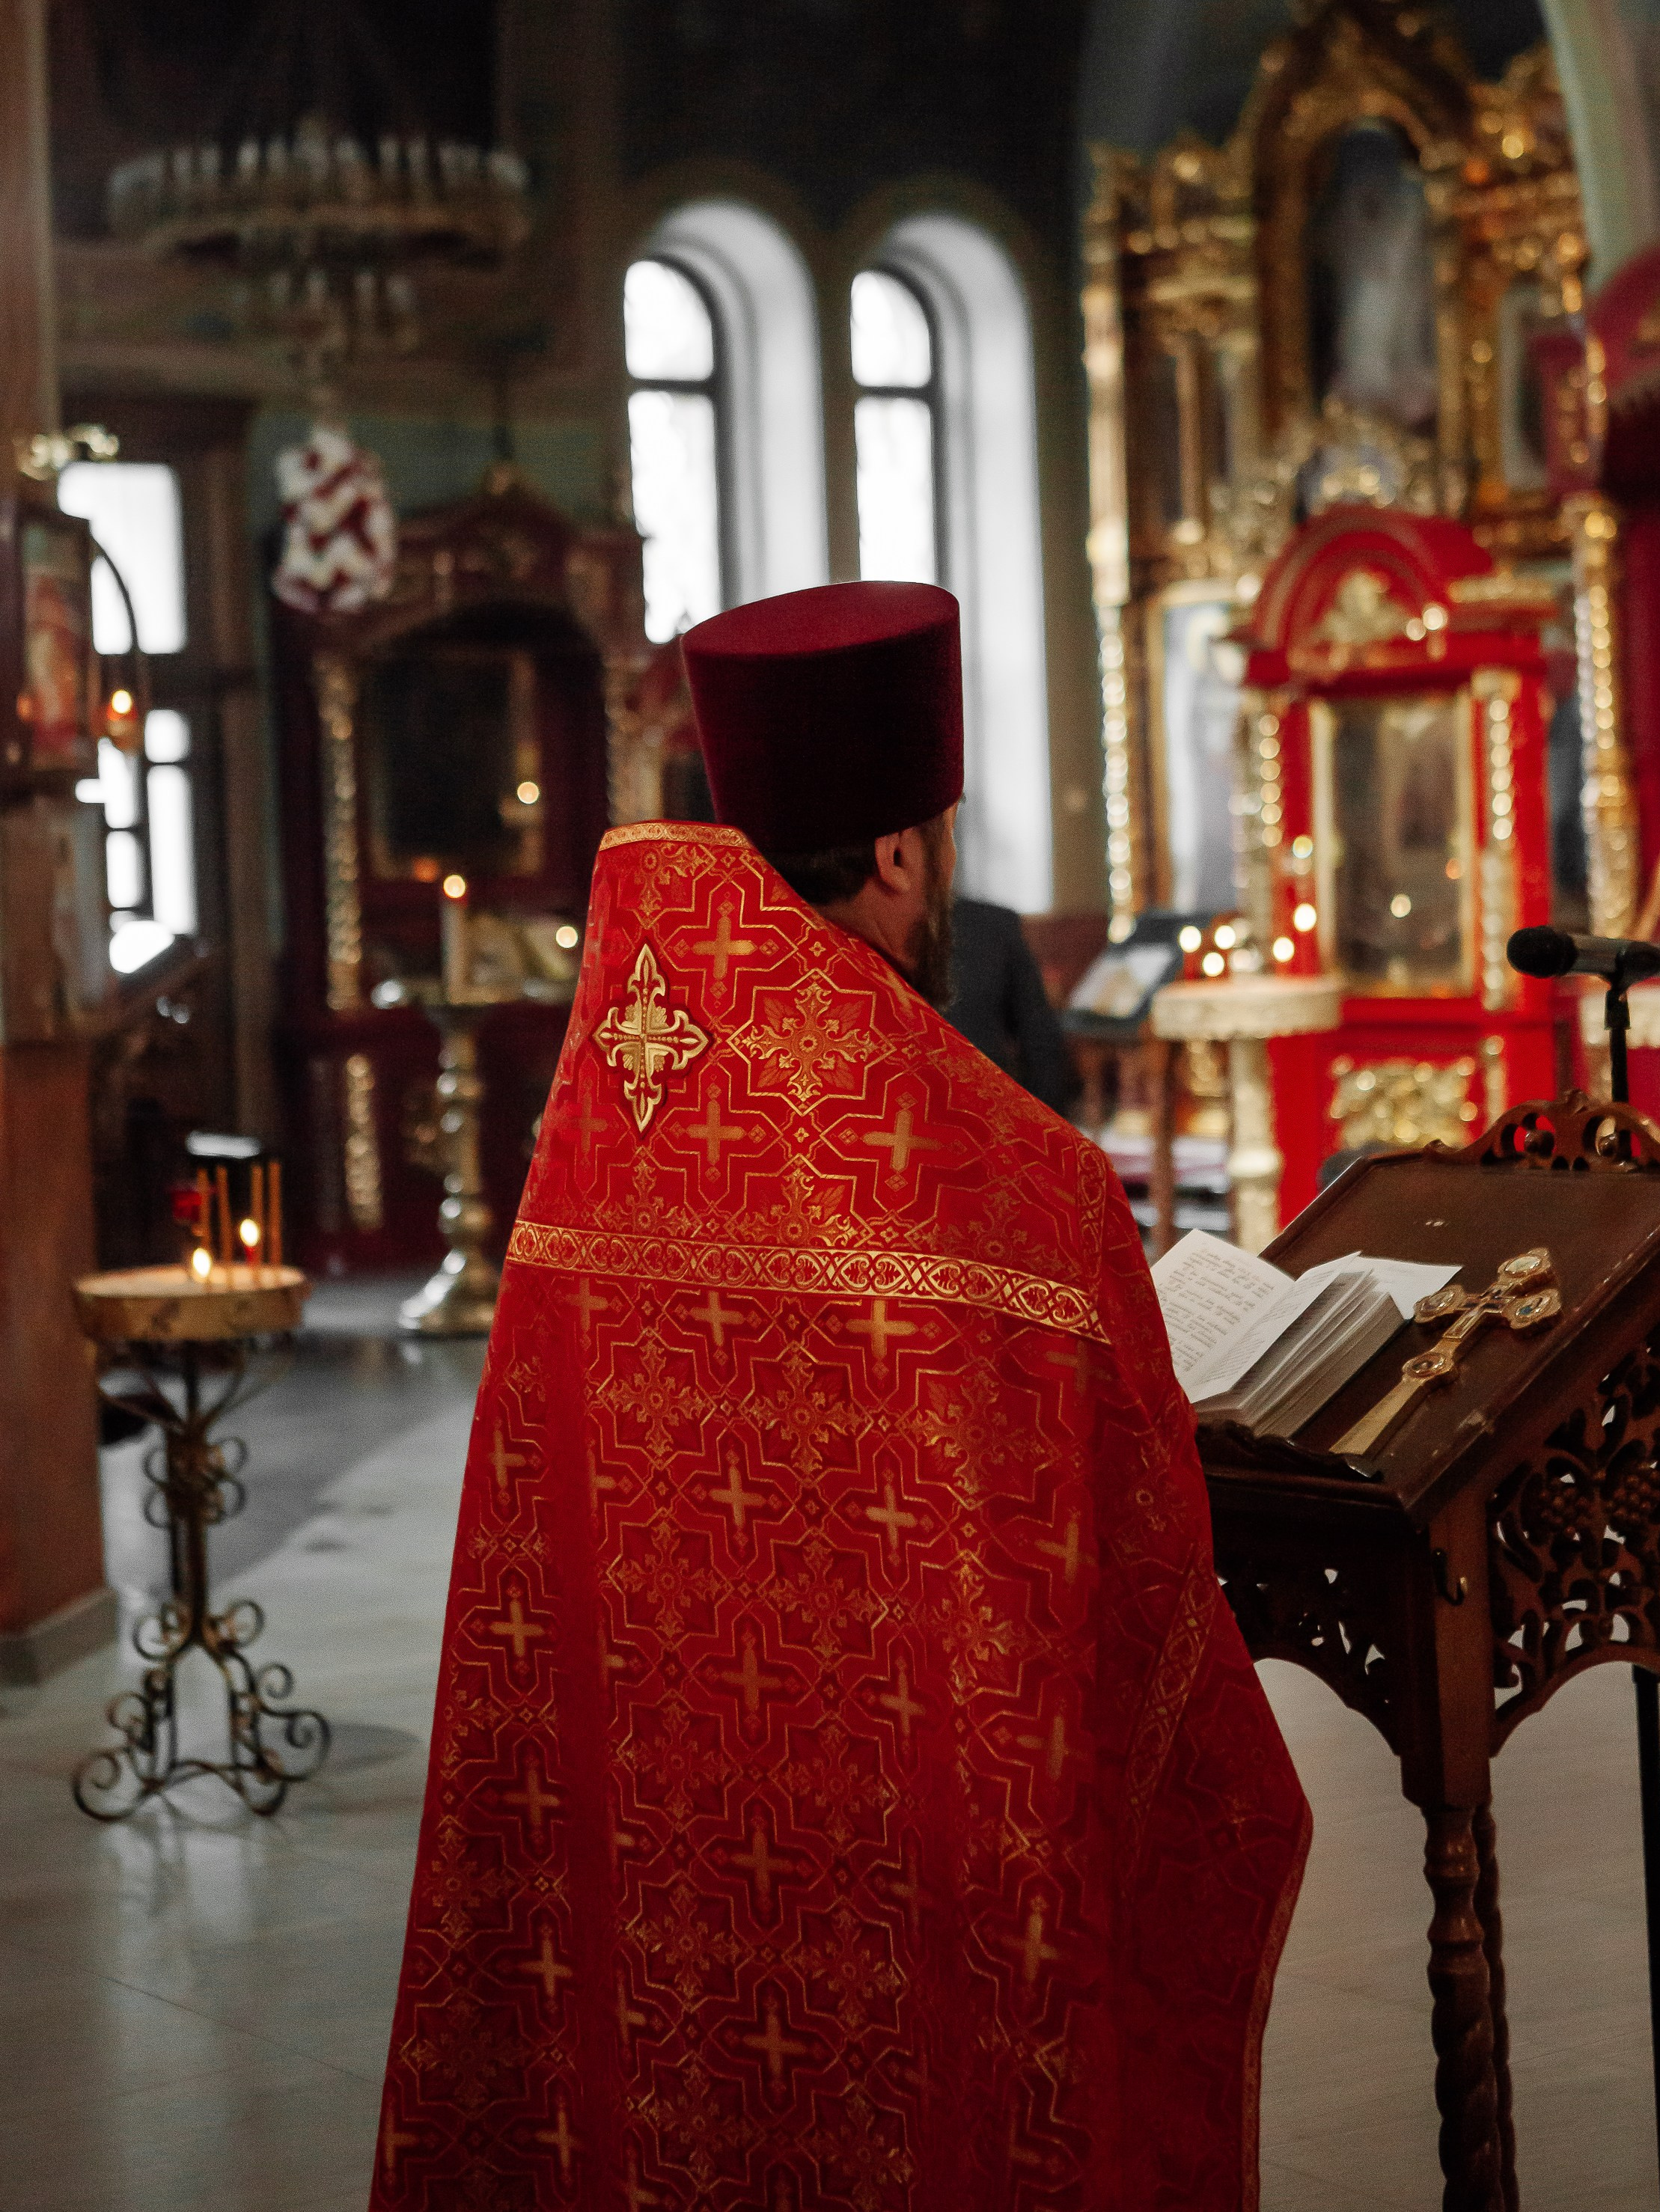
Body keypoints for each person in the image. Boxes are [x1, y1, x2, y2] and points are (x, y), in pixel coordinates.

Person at [370, 580, 1307, 2211]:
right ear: (895, 852)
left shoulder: (601, 1137)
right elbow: (1122, 1594)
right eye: (934, 835)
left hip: (655, 1852)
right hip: (918, 1883)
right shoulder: (1016, 1181)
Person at [946, 893, 1077, 1115]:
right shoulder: (990, 924)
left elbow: (1039, 1036)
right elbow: (1040, 1039)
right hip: (983, 1106)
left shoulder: (991, 926)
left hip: (980, 1106)